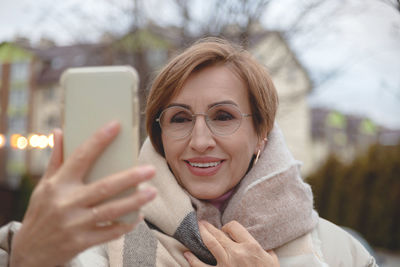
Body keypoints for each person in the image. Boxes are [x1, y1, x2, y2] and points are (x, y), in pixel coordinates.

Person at [0, 37, 377, 267]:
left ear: (261, 132)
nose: (199, 140)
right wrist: (27, 261)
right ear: (159, 133)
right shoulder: (76, 237)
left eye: (223, 116)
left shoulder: (341, 254)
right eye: (179, 118)